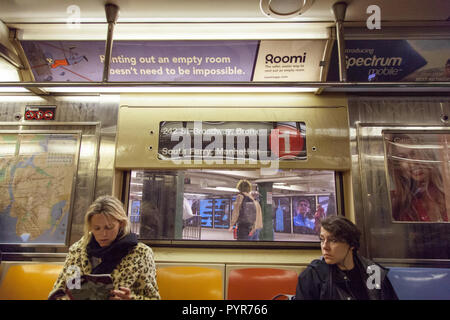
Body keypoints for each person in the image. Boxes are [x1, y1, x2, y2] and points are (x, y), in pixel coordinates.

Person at [48, 195, 160, 300]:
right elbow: (58, 291)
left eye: (109, 227)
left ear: (121, 223)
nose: (103, 234)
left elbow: (153, 298)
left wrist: (130, 298)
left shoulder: (140, 253)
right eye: (97, 228)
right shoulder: (77, 251)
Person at [295, 215, 398, 300]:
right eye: (322, 240)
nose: (325, 247)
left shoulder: (373, 272)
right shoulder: (314, 275)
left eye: (333, 240)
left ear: (351, 244)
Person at [386, 134, 448, 222]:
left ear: (427, 154)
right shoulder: (398, 202)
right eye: (403, 158)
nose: (412, 163)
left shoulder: (446, 189)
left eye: (414, 153)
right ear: (399, 167)